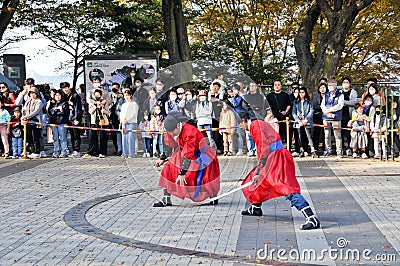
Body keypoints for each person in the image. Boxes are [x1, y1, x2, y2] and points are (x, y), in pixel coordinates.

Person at [238, 108, 320, 230]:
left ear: (244, 120)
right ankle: (255, 208)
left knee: (285, 187)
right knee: (258, 182)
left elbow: (263, 149)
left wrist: (259, 172)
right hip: (276, 156)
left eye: (239, 123)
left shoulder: (255, 126)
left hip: (276, 159)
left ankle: (311, 218)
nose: (239, 126)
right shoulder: (258, 124)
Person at [153, 114, 220, 207]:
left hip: (199, 154)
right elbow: (169, 144)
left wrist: (182, 173)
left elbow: (189, 154)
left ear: (177, 126)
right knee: (168, 169)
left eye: (173, 132)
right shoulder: (171, 130)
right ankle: (166, 199)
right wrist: (163, 158)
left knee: (204, 177)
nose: (171, 134)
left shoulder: (190, 131)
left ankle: (213, 197)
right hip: (182, 152)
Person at [83, 89, 111, 158]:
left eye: (98, 95)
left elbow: (108, 112)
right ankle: (93, 151)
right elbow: (90, 112)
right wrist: (95, 106)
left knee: (103, 137)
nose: (97, 96)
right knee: (93, 136)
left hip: (103, 121)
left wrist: (102, 109)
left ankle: (102, 152)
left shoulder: (105, 102)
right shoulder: (92, 103)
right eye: (96, 95)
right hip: (94, 121)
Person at [321, 79, 344, 158]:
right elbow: (322, 105)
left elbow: (339, 105)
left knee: (337, 136)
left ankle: (339, 151)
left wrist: (330, 110)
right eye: (329, 85)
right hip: (326, 118)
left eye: (332, 85)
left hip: (336, 117)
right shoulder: (326, 95)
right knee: (327, 135)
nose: (330, 87)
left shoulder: (340, 94)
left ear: (335, 85)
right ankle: (328, 150)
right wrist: (326, 111)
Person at [60, 82, 83, 158]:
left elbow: (78, 108)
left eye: (66, 87)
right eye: (63, 88)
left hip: (74, 118)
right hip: (68, 118)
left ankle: (77, 150)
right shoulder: (65, 96)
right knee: (72, 135)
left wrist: (77, 118)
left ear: (69, 87)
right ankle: (74, 150)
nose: (65, 89)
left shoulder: (75, 95)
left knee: (76, 135)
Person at [243, 82, 267, 156]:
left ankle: (258, 149)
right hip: (249, 117)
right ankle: (251, 149)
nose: (251, 87)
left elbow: (261, 106)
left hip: (259, 117)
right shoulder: (246, 97)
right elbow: (245, 108)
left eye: (253, 86)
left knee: (258, 135)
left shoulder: (260, 97)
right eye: (250, 86)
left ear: (256, 87)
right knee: (249, 135)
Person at [266, 80, 291, 146]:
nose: (277, 86)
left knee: (284, 133)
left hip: (283, 117)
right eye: (275, 85)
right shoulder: (269, 96)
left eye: (278, 85)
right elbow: (266, 106)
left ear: (281, 86)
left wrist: (286, 111)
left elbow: (289, 104)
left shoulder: (285, 95)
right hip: (273, 117)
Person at [292, 87, 316, 157]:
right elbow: (294, 112)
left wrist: (306, 119)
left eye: (303, 92)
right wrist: (298, 120)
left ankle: (312, 149)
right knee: (300, 136)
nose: (301, 94)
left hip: (307, 121)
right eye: (300, 92)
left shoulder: (309, 102)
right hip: (299, 122)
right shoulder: (296, 102)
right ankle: (301, 149)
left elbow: (311, 111)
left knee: (308, 136)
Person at [21, 87, 43, 159]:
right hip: (27, 122)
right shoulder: (28, 101)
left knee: (35, 137)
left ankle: (37, 152)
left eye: (33, 93)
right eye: (31, 93)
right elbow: (24, 109)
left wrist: (27, 116)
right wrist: (24, 117)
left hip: (35, 121)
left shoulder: (39, 102)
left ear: (37, 94)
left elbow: (36, 112)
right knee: (29, 137)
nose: (32, 94)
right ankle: (31, 151)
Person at [47, 90, 69, 158]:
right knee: (55, 138)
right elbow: (50, 111)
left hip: (62, 122)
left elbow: (64, 112)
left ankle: (64, 151)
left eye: (59, 95)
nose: (58, 97)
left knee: (63, 138)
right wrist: (57, 110)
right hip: (54, 123)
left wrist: (57, 110)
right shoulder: (52, 103)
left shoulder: (65, 103)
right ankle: (56, 151)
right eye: (56, 95)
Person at [340, 77, 358, 157]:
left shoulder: (353, 92)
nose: (345, 83)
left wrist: (344, 102)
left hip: (349, 115)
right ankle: (342, 148)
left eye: (347, 82)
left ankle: (349, 148)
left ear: (350, 83)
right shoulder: (340, 92)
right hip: (341, 115)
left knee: (349, 133)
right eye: (344, 82)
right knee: (341, 133)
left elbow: (354, 102)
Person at [227, 85, 246, 155]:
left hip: (239, 117)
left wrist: (233, 97)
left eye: (235, 89)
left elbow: (235, 104)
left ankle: (241, 149)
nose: (233, 91)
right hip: (231, 118)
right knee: (232, 134)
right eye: (232, 90)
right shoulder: (231, 97)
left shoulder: (239, 97)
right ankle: (233, 149)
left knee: (239, 134)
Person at [120, 89, 139, 158]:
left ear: (131, 95)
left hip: (131, 122)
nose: (126, 97)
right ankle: (125, 153)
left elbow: (134, 113)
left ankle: (131, 153)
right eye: (125, 95)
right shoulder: (123, 105)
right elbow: (121, 114)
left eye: (128, 95)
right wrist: (122, 120)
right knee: (124, 138)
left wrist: (128, 119)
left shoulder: (134, 104)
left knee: (131, 138)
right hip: (124, 123)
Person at [311, 83, 327, 156]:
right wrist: (322, 107)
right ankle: (315, 148)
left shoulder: (329, 96)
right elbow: (314, 106)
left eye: (324, 87)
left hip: (326, 116)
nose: (322, 89)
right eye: (321, 88)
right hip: (317, 116)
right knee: (316, 132)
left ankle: (325, 149)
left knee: (325, 133)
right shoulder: (316, 96)